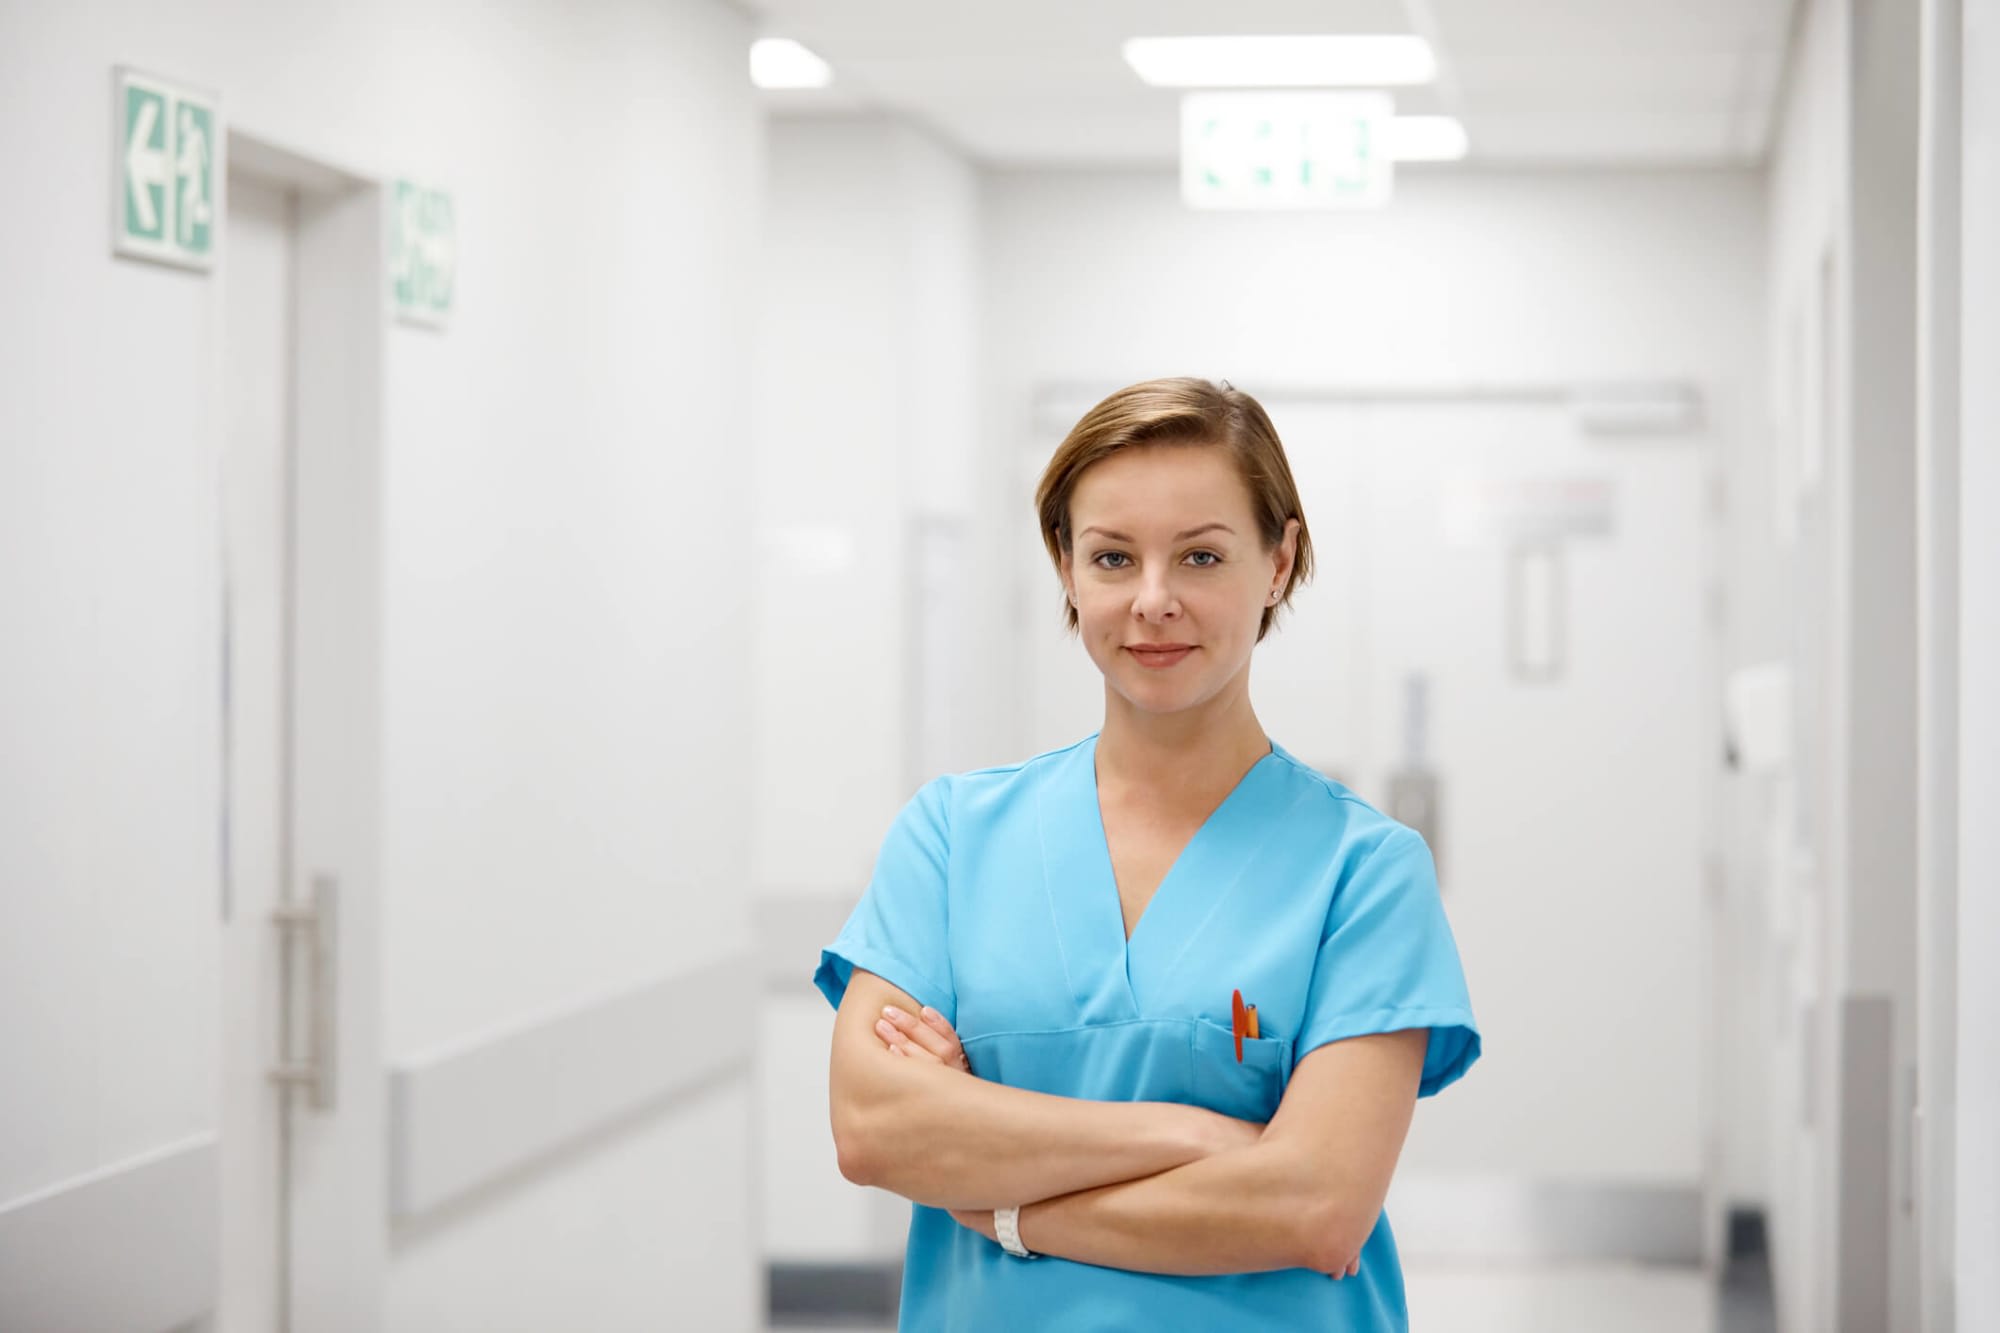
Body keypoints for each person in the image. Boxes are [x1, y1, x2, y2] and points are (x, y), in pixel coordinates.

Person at [814, 377, 1480, 1330]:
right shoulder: (954, 837)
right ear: (1066, 566)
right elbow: (875, 1128)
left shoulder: (1363, 872)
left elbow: (1316, 1207)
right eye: (1114, 557)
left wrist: (1003, 1202)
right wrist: (1195, 1135)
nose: (1153, 600)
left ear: (1280, 560)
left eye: (1201, 555)